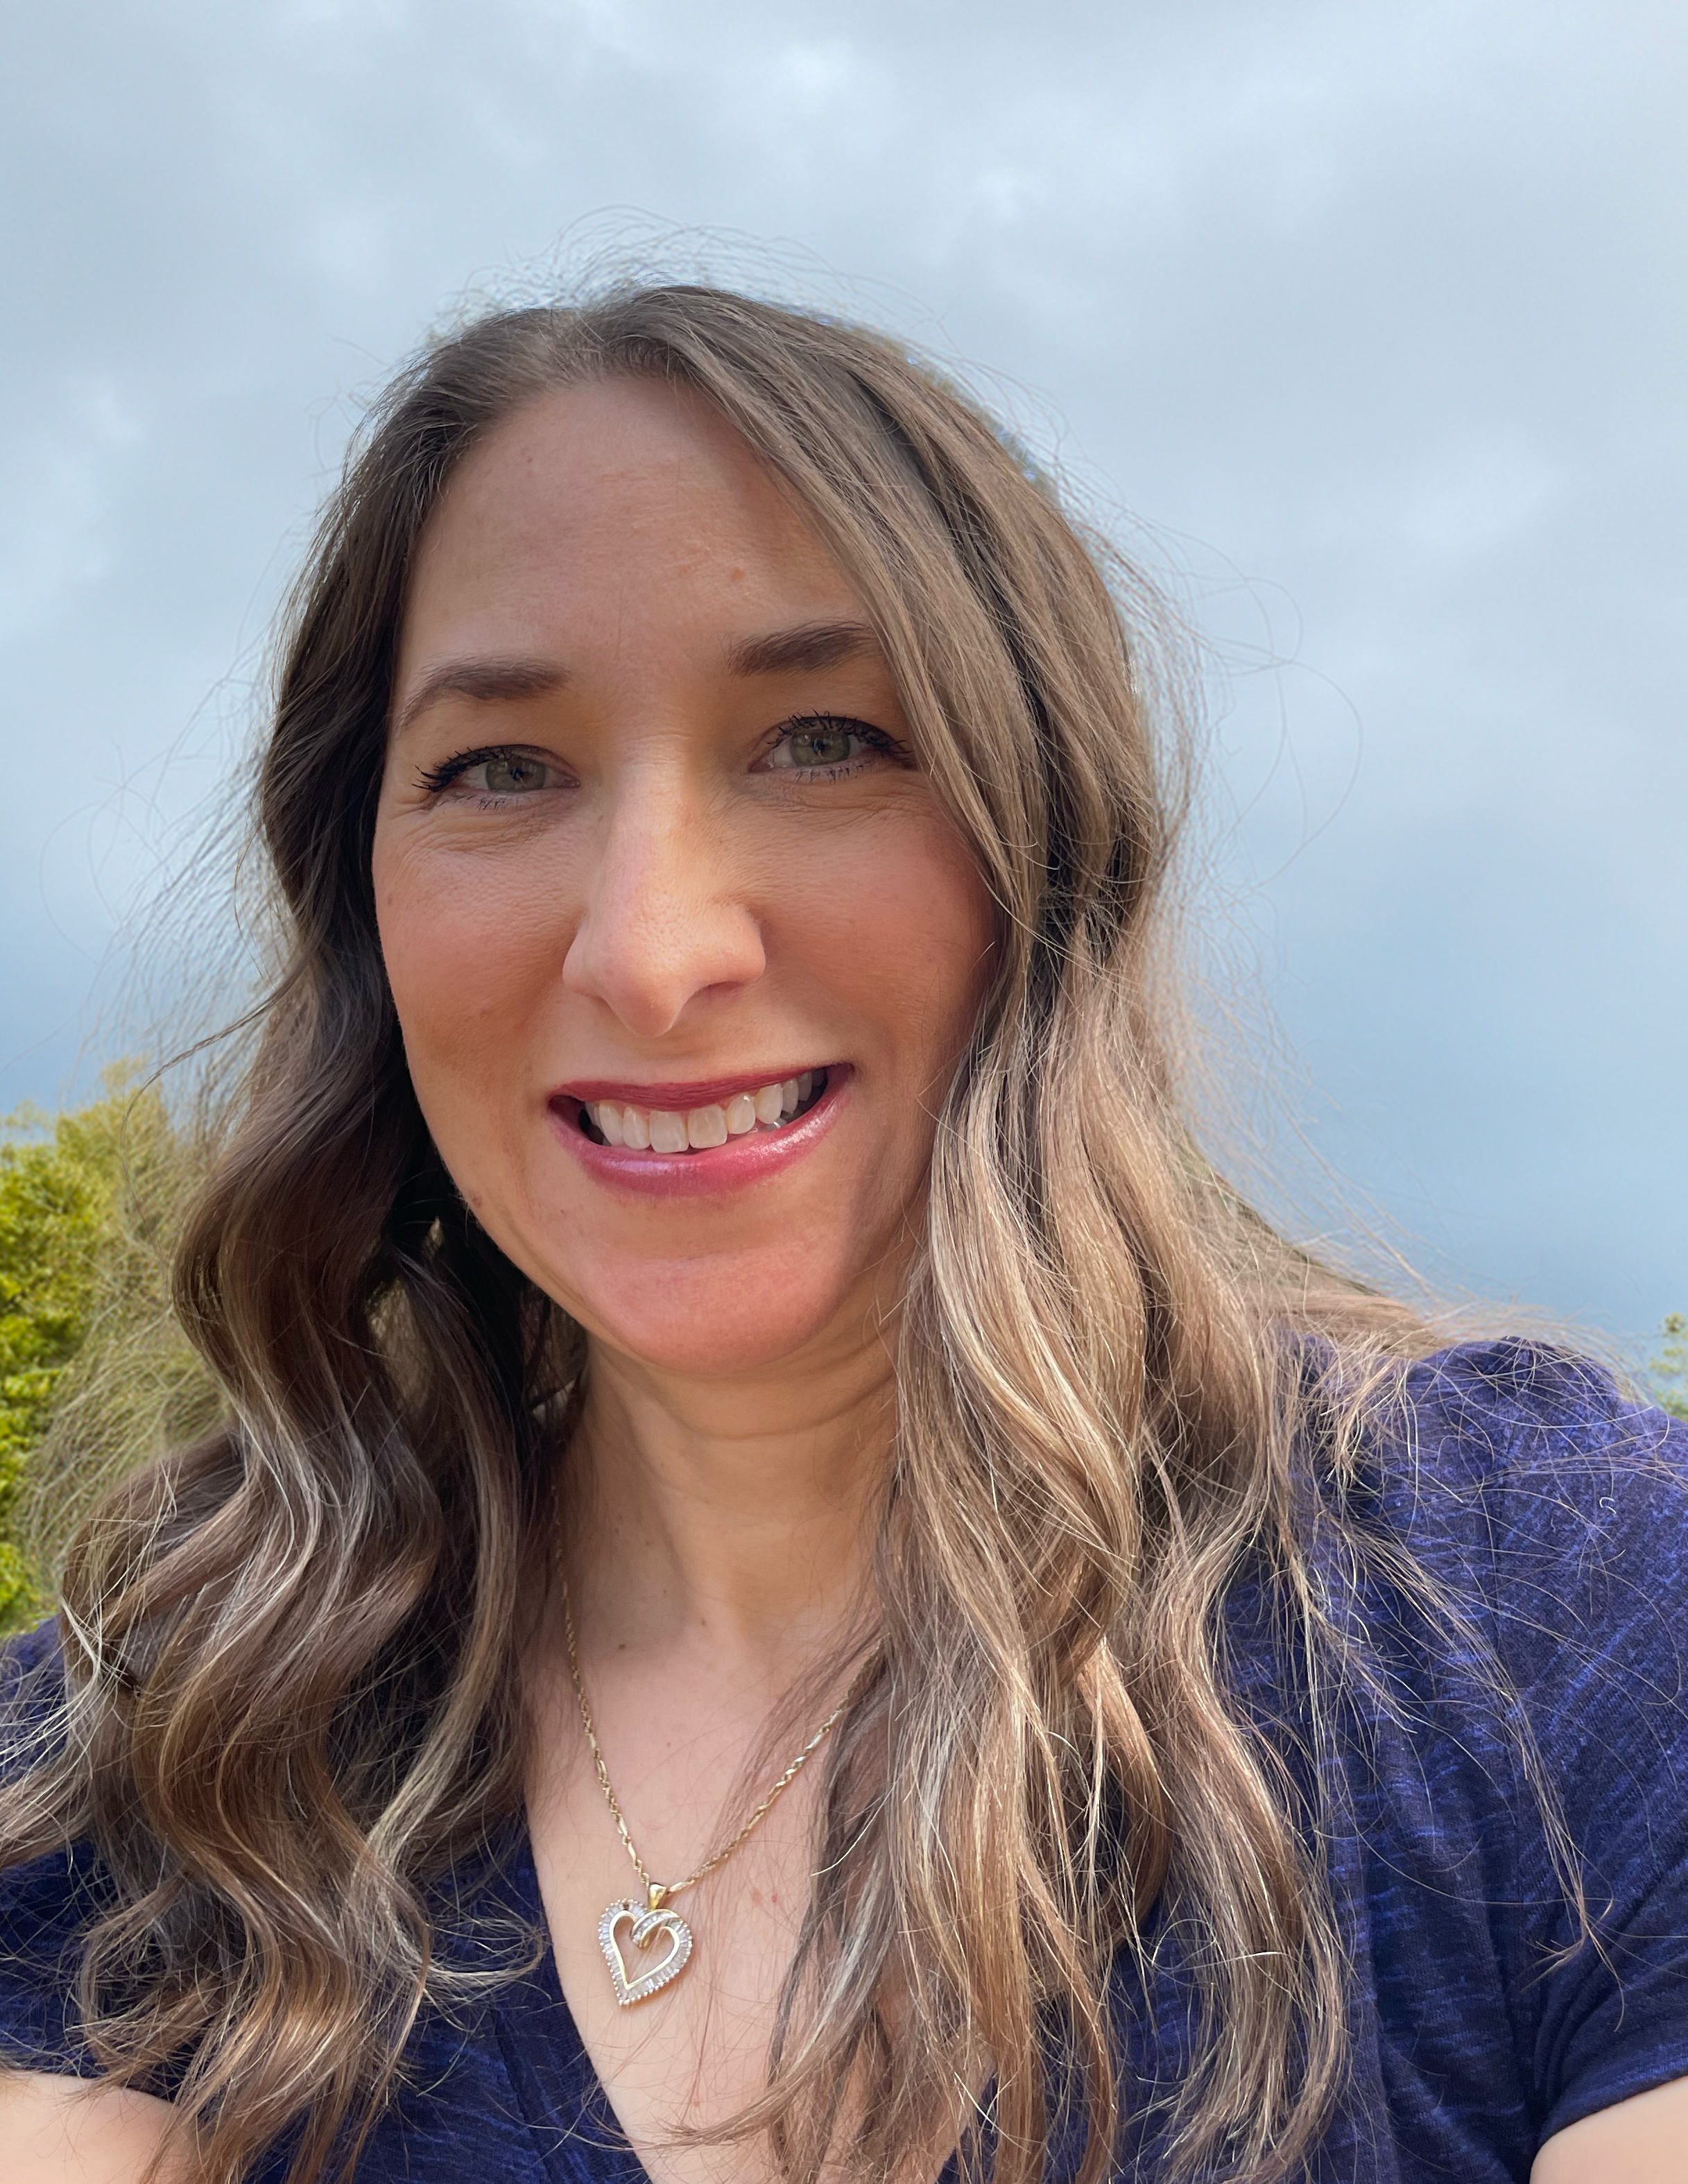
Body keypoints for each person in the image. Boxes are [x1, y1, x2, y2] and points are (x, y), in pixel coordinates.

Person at [1, 284, 1685, 2184]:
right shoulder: (153, 1764)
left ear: (1045, 847)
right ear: (362, 905)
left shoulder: (1544, 1605)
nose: (651, 954)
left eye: (821, 738)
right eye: (502, 769)